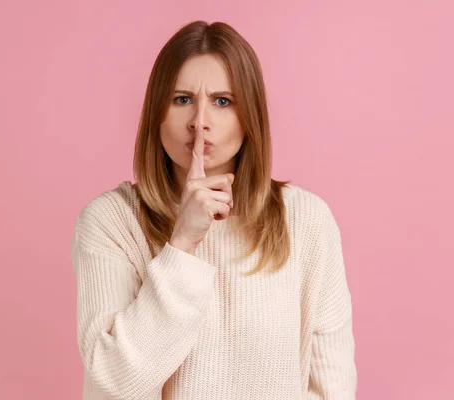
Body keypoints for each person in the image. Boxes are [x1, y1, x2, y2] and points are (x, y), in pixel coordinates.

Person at [71, 20, 357, 400]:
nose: (199, 122)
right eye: (182, 99)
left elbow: (331, 387)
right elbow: (114, 383)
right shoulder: (112, 222)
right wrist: (183, 243)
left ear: (249, 116)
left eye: (222, 101)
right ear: (157, 112)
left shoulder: (305, 220)